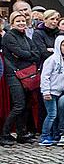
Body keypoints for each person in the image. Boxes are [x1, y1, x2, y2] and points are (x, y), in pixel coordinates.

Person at [2, 10, 44, 144]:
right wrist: (27, 54)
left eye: (23, 21)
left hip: (25, 74)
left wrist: (26, 54)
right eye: (18, 21)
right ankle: (5, 134)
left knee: (26, 104)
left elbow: (36, 53)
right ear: (12, 23)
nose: (21, 23)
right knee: (19, 105)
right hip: (13, 73)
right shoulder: (9, 36)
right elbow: (20, 53)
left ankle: (21, 133)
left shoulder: (25, 37)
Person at [39, 34, 64, 145]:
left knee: (56, 114)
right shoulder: (51, 60)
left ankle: (54, 134)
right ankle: (44, 136)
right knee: (51, 114)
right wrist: (46, 91)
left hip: (59, 90)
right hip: (50, 91)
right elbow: (45, 76)